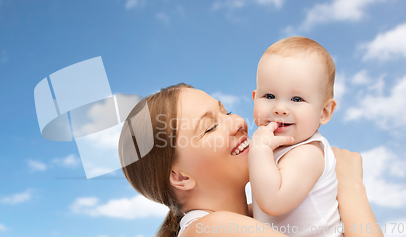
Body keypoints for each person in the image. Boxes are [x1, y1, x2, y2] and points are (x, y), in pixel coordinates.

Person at [118, 83, 383, 237]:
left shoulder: (258, 216)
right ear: (180, 177)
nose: (238, 122)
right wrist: (350, 187)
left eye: (227, 112)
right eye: (210, 127)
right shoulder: (211, 229)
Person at [248, 36, 341, 236]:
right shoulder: (274, 147)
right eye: (269, 96)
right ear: (255, 99)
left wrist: (259, 150)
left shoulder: (308, 153)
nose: (280, 108)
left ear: (324, 112)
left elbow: (272, 201)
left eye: (296, 99)